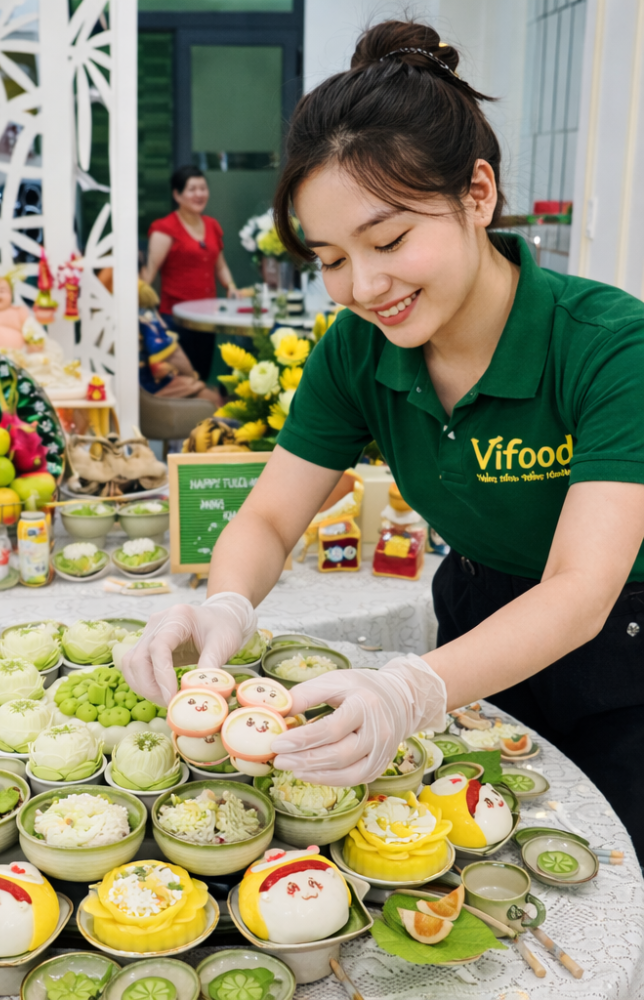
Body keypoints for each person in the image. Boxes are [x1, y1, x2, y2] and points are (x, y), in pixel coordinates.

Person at [123, 20, 644, 853]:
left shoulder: (609, 344)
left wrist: (412, 688)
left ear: (477, 194)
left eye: (391, 240)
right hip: (475, 615)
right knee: (457, 853)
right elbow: (266, 519)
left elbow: (581, 589)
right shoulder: (359, 350)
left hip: (621, 646)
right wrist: (223, 604)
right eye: (329, 258)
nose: (363, 287)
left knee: (609, 871)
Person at [141, 166, 239, 380]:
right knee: (183, 378)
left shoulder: (212, 226)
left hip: (207, 318)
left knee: (202, 374)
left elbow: (220, 265)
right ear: (177, 195)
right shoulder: (164, 229)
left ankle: (202, 413)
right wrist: (144, 312)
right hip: (176, 318)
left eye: (203, 188)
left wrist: (230, 286)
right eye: (192, 189)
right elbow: (149, 274)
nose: (199, 194)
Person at [138, 280, 221, 404]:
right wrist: (193, 377)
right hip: (150, 388)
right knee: (212, 398)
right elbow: (171, 353)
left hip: (137, 387)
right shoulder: (145, 314)